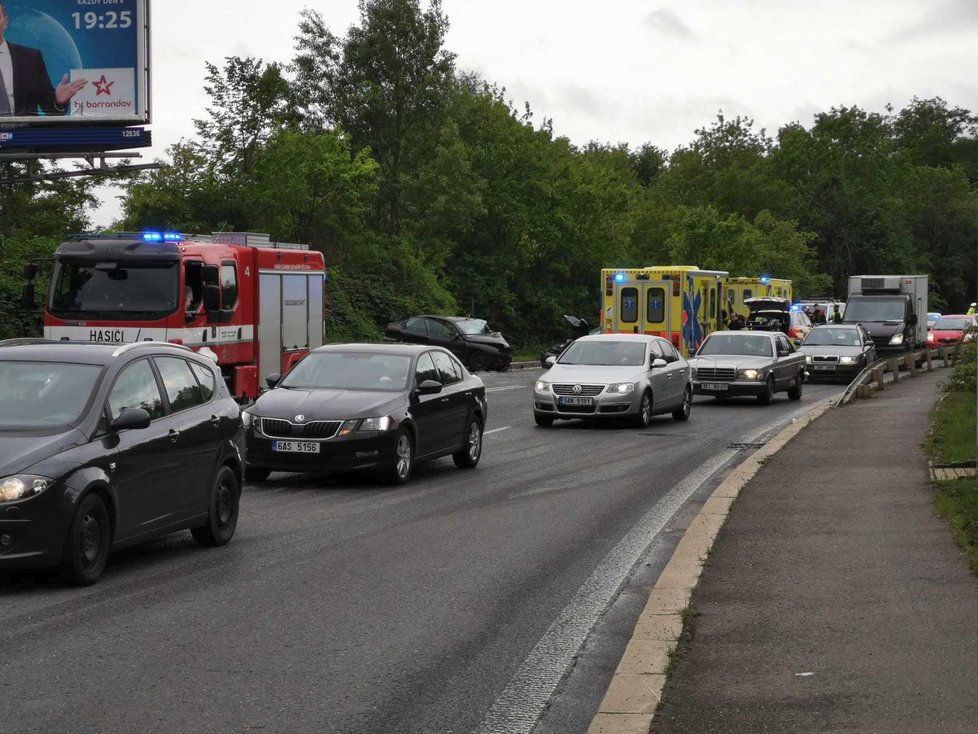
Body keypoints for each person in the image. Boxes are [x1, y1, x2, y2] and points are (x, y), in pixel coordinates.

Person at [0, 2, 87, 116]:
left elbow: (51, 109)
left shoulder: (31, 58)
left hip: (24, 132)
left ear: (5, 22)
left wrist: (58, 102)